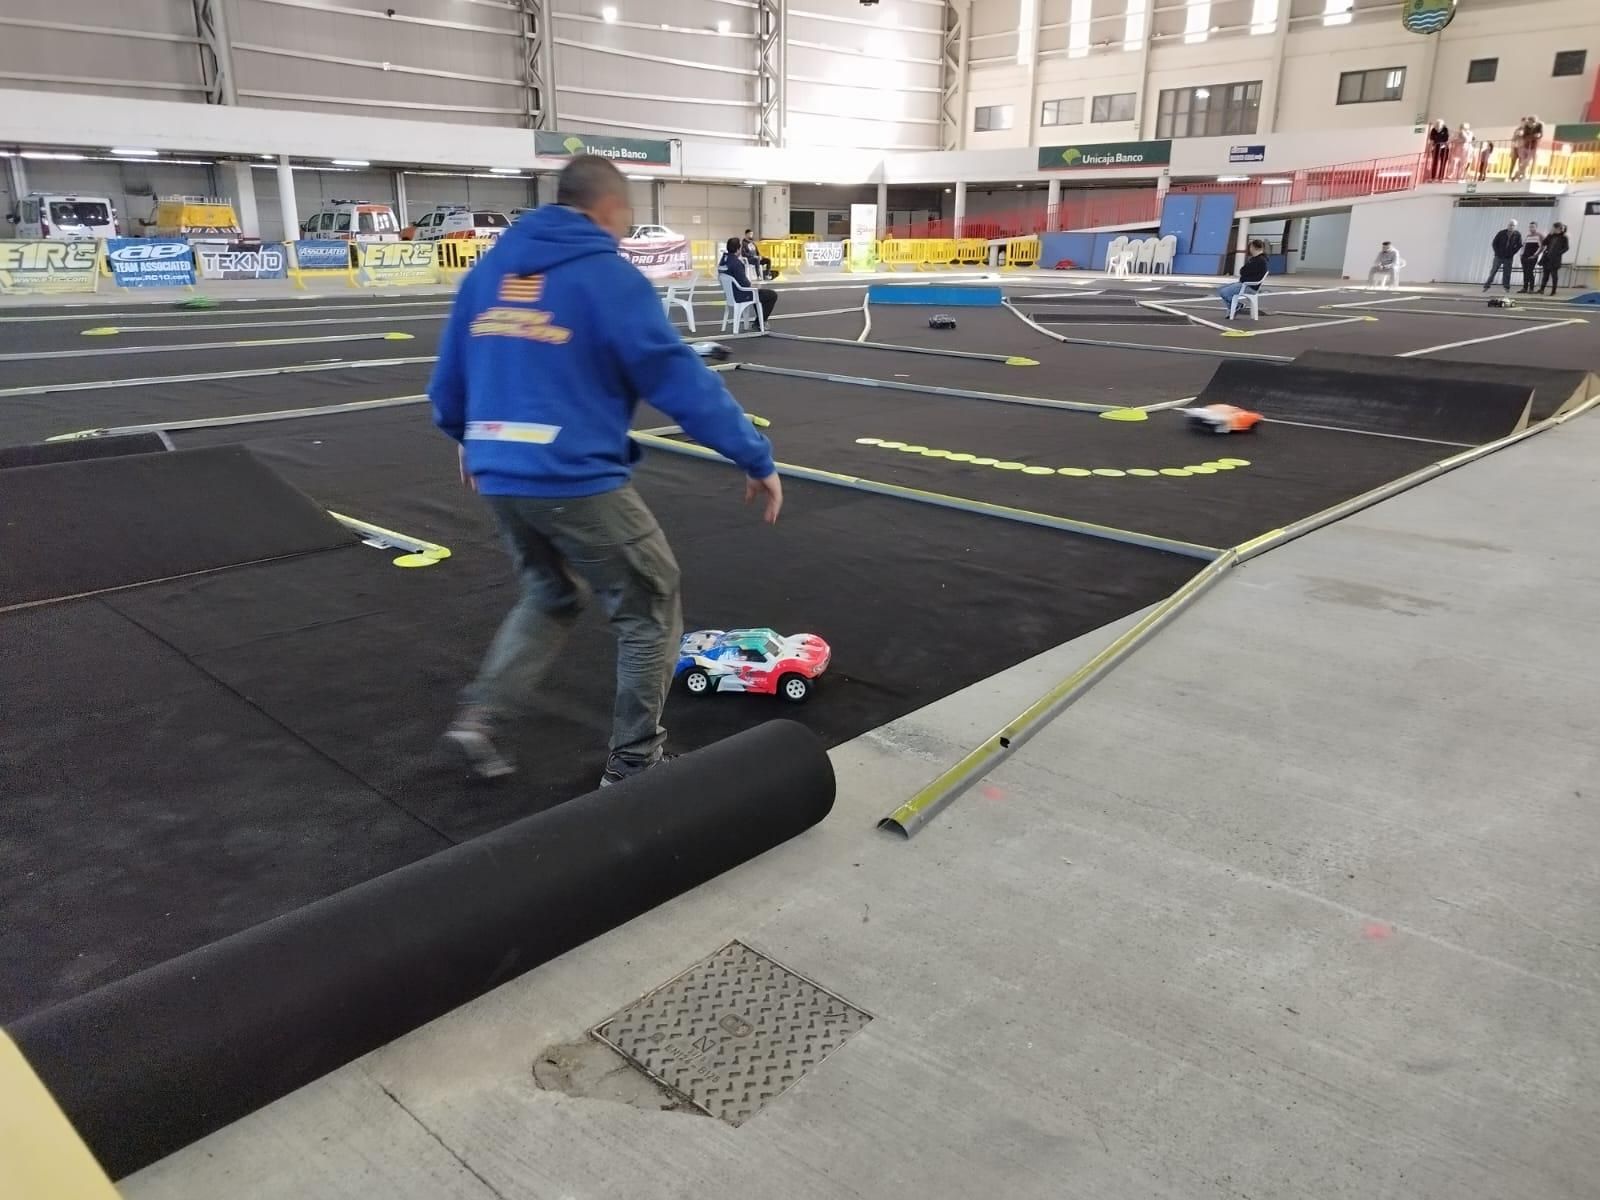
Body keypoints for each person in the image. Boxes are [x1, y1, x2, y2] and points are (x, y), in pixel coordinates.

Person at [429, 155, 783, 786]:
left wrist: (467, 437)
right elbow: (679, 378)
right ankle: (634, 765)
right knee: (650, 607)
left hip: (500, 474)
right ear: (610, 209)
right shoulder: (605, 278)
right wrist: (752, 453)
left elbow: (449, 381)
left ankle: (480, 717)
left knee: (551, 592)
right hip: (574, 477)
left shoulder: (487, 274)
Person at [719, 236, 777, 326]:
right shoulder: (737, 263)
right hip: (740, 294)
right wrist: (752, 286)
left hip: (730, 294)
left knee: (757, 293)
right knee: (771, 295)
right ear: (738, 249)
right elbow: (745, 284)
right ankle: (759, 322)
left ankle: (760, 321)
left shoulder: (723, 260)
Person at [1219, 239, 1269, 316]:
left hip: (1248, 286)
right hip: (1248, 284)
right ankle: (1235, 307)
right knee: (1221, 289)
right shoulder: (1260, 260)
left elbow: (1243, 271)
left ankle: (1237, 306)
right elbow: (1244, 271)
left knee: (1223, 292)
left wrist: (1244, 275)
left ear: (1252, 247)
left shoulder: (1258, 261)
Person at [1483, 219, 1521, 292]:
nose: (1511, 226)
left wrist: (1512, 253)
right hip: (1498, 256)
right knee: (1493, 271)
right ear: (1508, 225)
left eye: (1513, 225)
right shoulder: (1501, 233)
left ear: (1515, 226)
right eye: (1510, 225)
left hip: (1508, 257)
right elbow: (1494, 243)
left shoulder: (1517, 234)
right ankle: (1486, 286)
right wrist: (1497, 252)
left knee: (1507, 272)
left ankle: (1506, 287)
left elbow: (1519, 245)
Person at [1539, 222, 1569, 295]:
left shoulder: (1564, 237)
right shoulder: (1551, 236)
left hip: (1555, 259)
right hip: (1547, 258)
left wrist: (1558, 253)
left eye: (1553, 228)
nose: (1552, 229)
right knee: (1545, 275)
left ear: (1558, 228)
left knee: (1554, 276)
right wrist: (1549, 234)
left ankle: (1553, 291)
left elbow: (1566, 248)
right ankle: (1542, 289)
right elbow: (1544, 243)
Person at [1519, 222, 1543, 293]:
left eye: (1533, 227)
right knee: (1525, 272)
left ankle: (1531, 289)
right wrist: (1521, 255)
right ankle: (1525, 288)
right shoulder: (1528, 236)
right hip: (1524, 257)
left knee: (1530, 272)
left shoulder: (1539, 236)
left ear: (1536, 227)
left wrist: (1535, 255)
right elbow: (1523, 246)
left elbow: (1542, 247)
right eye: (1530, 227)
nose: (1531, 228)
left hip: (1532, 257)